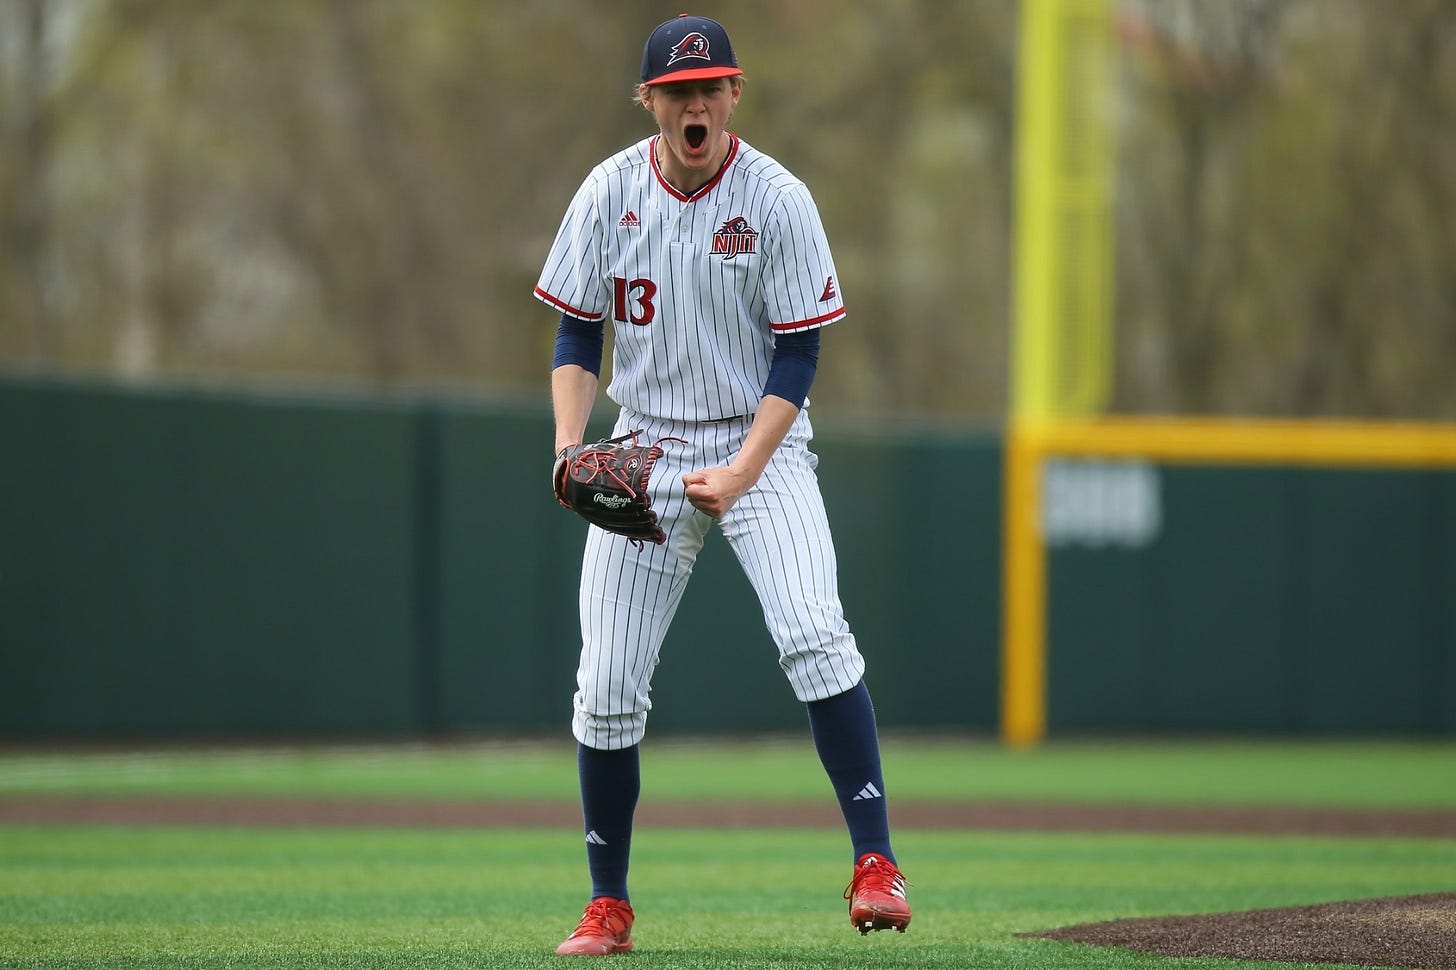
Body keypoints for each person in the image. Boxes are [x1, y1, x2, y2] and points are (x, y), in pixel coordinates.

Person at [534, 14, 911, 957]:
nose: (695, 103)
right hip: (647, 443)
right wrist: (572, 445)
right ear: (649, 100)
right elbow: (579, 331)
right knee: (608, 685)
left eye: (711, 88)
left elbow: (800, 351)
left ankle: (876, 864)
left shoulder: (778, 198)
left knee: (814, 634)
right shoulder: (609, 190)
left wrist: (744, 471)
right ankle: (607, 902)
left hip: (761, 444)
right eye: (677, 90)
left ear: (734, 95)